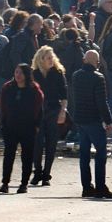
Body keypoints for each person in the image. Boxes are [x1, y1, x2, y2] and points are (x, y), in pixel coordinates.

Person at [71, 48, 112, 198]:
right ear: (97, 63)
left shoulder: (76, 76)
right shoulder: (98, 77)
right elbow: (101, 102)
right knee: (101, 153)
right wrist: (109, 121)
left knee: (84, 154)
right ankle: (100, 186)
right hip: (93, 120)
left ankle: (86, 187)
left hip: (80, 119)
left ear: (84, 60)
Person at [0, 62, 43, 194]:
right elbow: (2, 107)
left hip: (28, 127)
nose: (18, 75)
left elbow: (39, 109)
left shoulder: (34, 89)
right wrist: (3, 124)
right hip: (10, 127)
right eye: (16, 72)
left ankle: (24, 183)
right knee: (9, 155)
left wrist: (37, 126)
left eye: (21, 72)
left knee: (27, 156)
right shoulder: (7, 88)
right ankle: (5, 182)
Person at [31, 45, 68, 187]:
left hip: (53, 109)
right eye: (48, 58)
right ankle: (37, 171)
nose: (51, 60)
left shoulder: (58, 73)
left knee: (52, 143)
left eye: (52, 57)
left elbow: (64, 94)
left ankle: (46, 174)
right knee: (37, 143)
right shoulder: (34, 74)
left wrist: (63, 111)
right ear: (41, 59)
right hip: (37, 111)